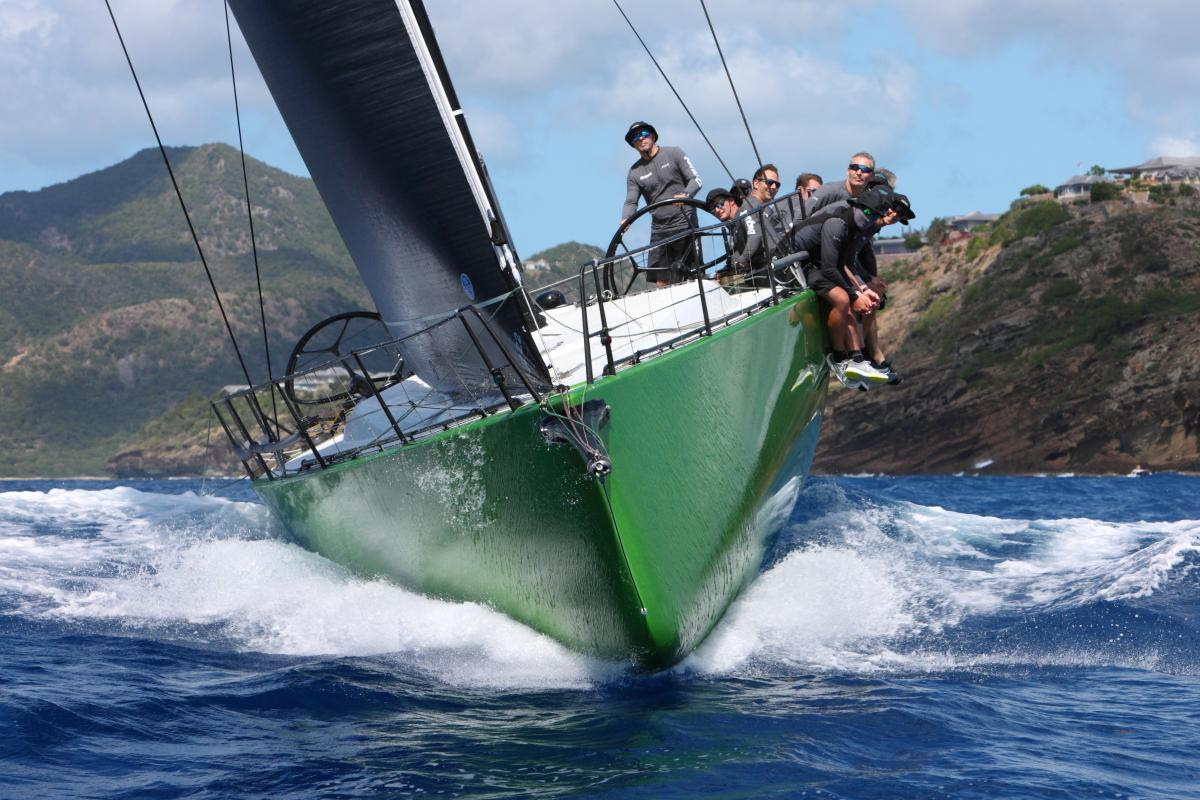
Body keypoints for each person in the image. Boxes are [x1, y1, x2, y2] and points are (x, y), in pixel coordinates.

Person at [801, 183, 912, 387]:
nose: (894, 216)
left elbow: (846, 264)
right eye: (869, 213)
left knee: (863, 296)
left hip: (822, 264)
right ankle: (842, 358)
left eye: (899, 215)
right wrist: (854, 294)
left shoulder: (860, 225)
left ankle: (858, 358)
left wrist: (863, 288)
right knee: (843, 299)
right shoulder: (839, 222)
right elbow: (829, 268)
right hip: (803, 264)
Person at [619, 121, 703, 287]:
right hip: (660, 230)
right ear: (633, 144)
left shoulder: (674, 153)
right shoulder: (634, 172)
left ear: (653, 136)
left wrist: (685, 195)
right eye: (635, 137)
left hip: (685, 223)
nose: (640, 139)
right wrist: (625, 218)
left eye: (644, 134)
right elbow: (631, 200)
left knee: (691, 274)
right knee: (661, 281)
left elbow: (696, 180)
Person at [806, 151, 875, 216]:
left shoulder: (870, 201)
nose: (859, 173)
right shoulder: (830, 190)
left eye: (865, 169)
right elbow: (799, 218)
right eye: (855, 167)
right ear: (848, 171)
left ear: (872, 176)